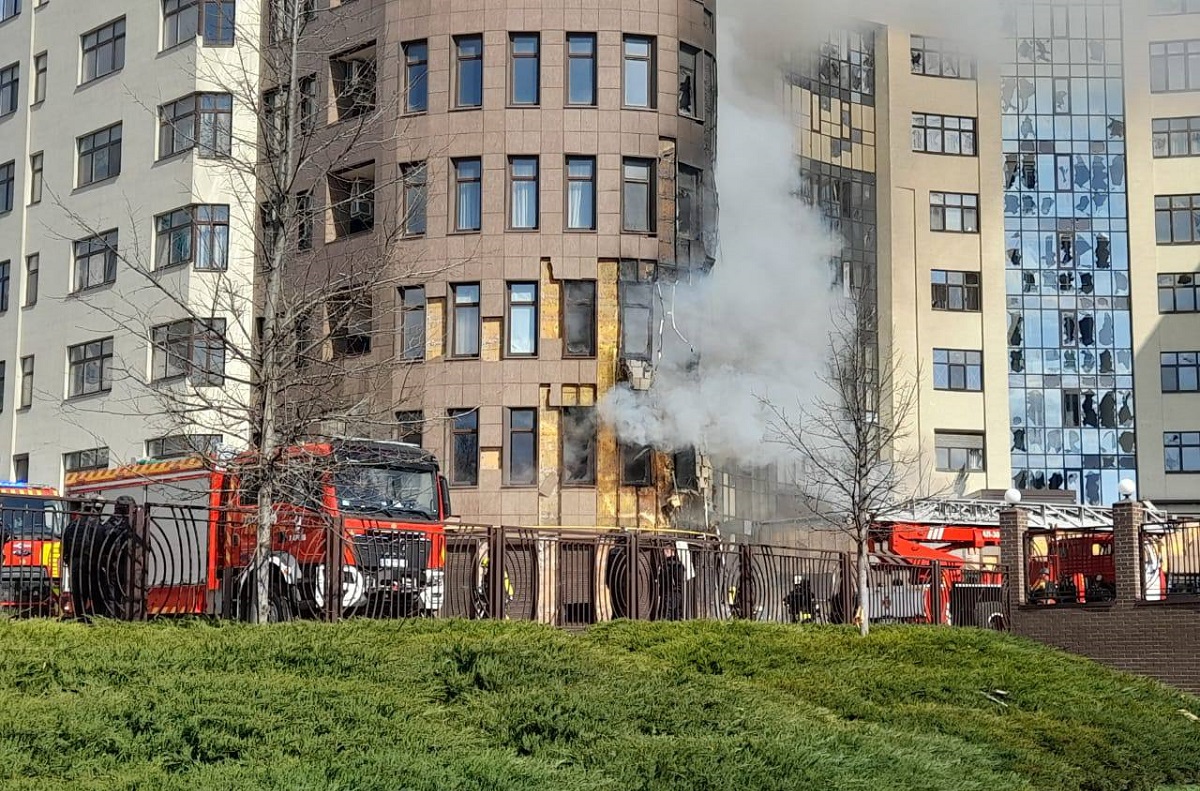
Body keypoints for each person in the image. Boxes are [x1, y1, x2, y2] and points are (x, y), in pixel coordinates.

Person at [657, 546, 685, 621]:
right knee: (677, 615)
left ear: (672, 551)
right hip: (677, 593)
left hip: (670, 593)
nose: (664, 553)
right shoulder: (679, 564)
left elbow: (669, 580)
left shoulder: (669, 565)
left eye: (666, 550)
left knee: (665, 615)